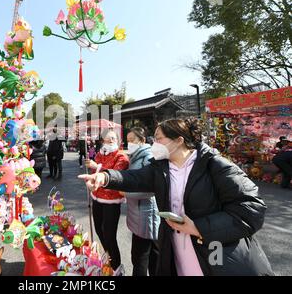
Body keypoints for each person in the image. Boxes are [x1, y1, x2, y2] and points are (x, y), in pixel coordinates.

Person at [79, 118, 273, 276]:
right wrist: (104, 177)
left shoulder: (214, 165)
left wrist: (199, 227)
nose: (153, 144)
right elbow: (134, 177)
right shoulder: (160, 167)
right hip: (177, 251)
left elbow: (252, 209)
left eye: (158, 138)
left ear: (178, 140)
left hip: (216, 253)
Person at [85, 129, 129, 270]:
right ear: (102, 141)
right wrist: (90, 179)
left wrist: (96, 166)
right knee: (99, 229)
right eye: (107, 138)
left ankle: (116, 266)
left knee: (110, 235)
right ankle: (107, 257)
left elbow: (115, 175)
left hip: (112, 200)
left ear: (117, 140)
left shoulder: (121, 156)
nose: (110, 141)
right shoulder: (99, 153)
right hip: (97, 197)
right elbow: (94, 174)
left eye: (113, 138)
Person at [125, 127, 160, 276]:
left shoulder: (148, 158)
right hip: (137, 215)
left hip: (146, 215)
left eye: (132, 140)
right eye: (127, 141)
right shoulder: (135, 156)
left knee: (141, 258)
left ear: (143, 140)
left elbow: (151, 189)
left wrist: (124, 192)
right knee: (146, 255)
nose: (129, 143)